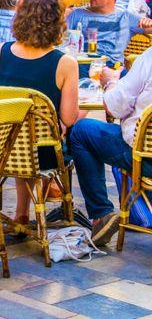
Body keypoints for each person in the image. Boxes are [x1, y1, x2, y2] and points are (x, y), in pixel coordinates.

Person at [0, 0, 80, 229]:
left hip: (3, 147)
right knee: (66, 127)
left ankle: (22, 211)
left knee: (26, 130)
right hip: (43, 153)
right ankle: (48, 190)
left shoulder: (1, 51)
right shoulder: (65, 63)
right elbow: (68, 117)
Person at [70, 48, 152, 245]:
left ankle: (101, 215)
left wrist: (111, 82)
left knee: (81, 131)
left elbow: (115, 107)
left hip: (146, 158)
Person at [66, 0, 152, 65]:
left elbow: (149, 28)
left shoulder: (126, 17)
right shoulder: (77, 14)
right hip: (82, 64)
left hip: (112, 67)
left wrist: (149, 22)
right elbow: (61, 41)